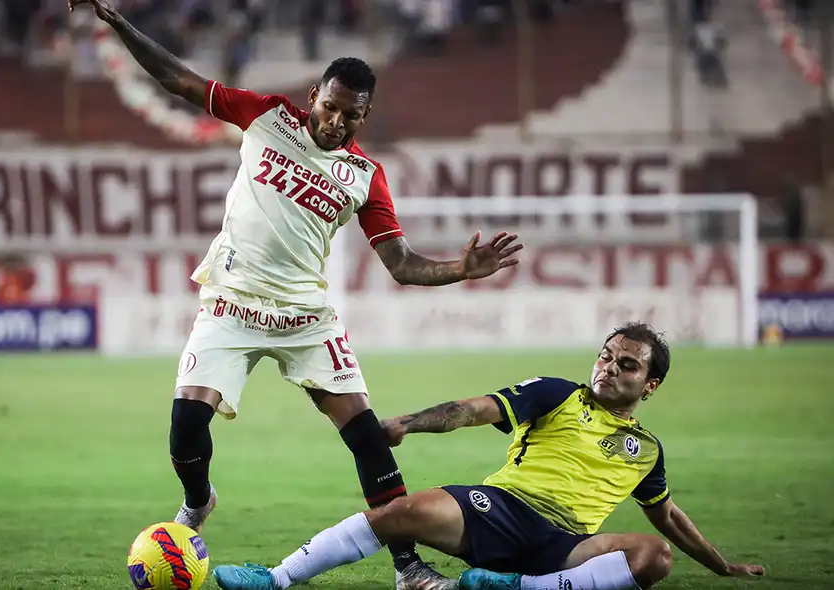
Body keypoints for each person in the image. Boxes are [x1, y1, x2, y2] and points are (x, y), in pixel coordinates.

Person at [68, 2, 524, 588]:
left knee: (367, 435)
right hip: (231, 305)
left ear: (365, 114)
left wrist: (459, 270)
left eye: (350, 115)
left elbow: (401, 265)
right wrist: (115, 21)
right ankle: (199, 500)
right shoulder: (266, 118)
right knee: (185, 428)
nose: (335, 122)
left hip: (307, 318)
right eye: (330, 107)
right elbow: (179, 81)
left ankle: (409, 567)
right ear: (314, 95)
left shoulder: (365, 176)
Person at [213, 322, 766, 590]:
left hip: (569, 545)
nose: (609, 368)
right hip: (498, 509)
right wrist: (407, 422)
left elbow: (666, 518)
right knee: (398, 513)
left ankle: (517, 589)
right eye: (606, 356)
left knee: (653, 558)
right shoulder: (558, 392)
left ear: (651, 385)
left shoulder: (646, 450)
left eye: (627, 366)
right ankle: (278, 579)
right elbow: (475, 410)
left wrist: (722, 564)